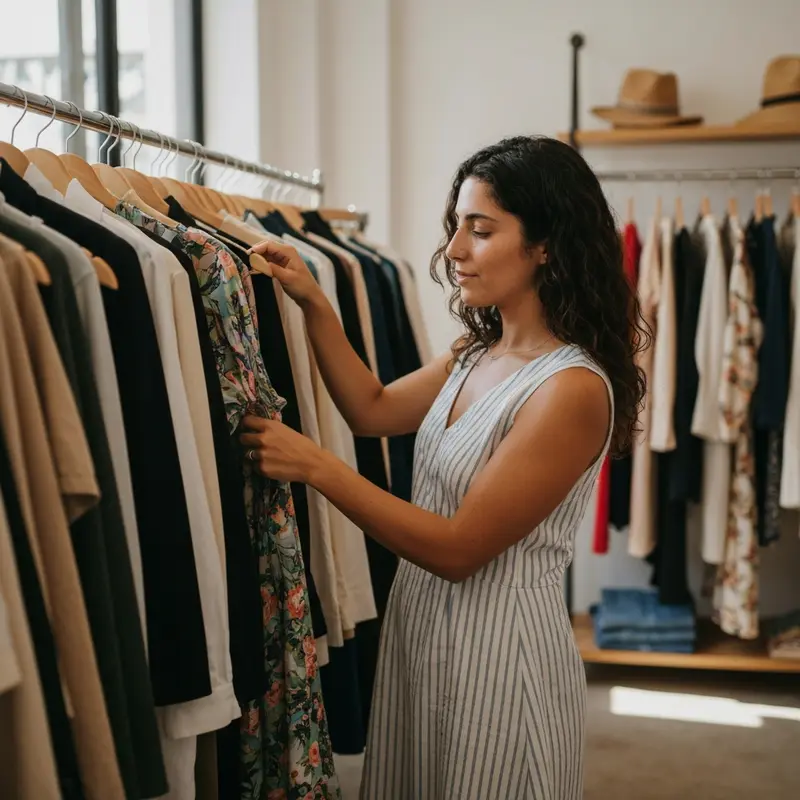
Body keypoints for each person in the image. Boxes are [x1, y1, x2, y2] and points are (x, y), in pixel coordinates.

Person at [240, 135, 648, 799]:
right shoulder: (476, 354)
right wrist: (313, 301)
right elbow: (370, 409)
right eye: (457, 226)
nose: (455, 249)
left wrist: (318, 468)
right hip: (421, 635)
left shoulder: (569, 389)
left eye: (480, 230)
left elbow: (460, 550)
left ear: (545, 244)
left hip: (502, 655)